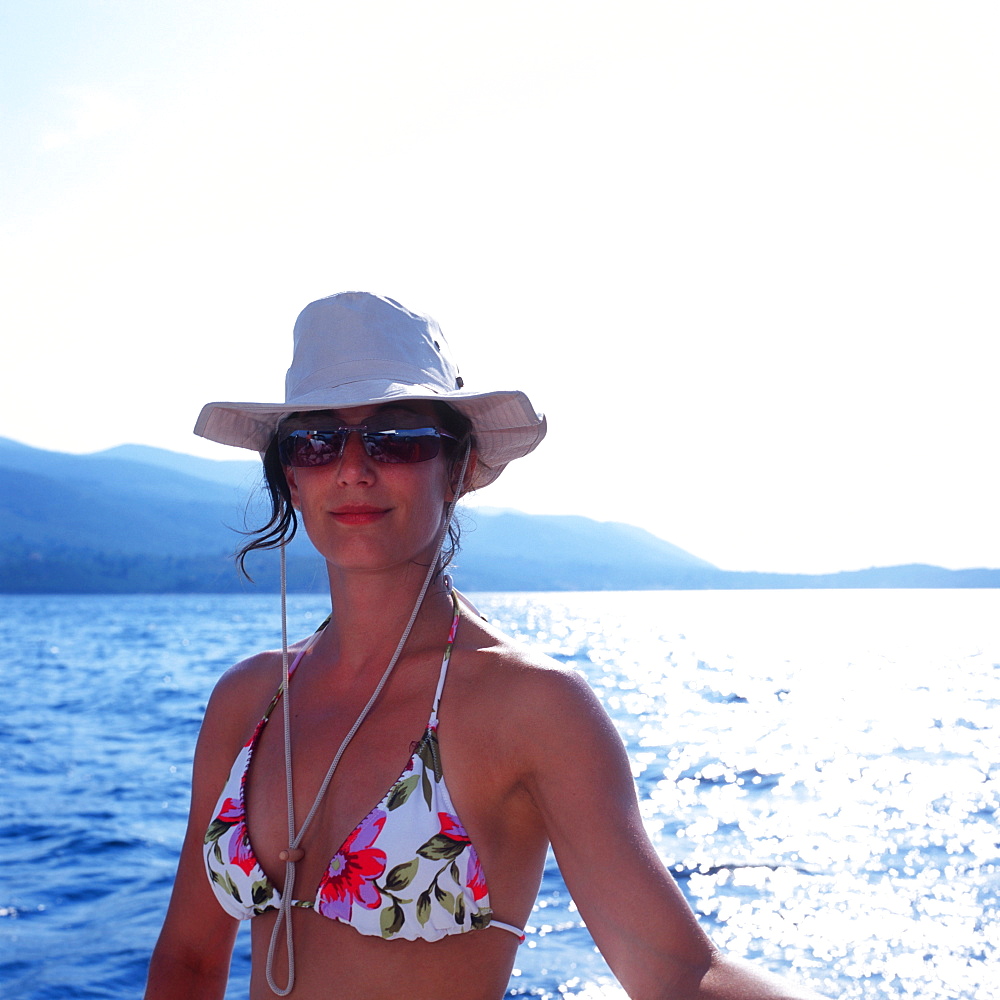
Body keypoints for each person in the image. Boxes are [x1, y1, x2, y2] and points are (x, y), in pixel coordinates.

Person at [145, 292, 827, 1000]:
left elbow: (682, 973)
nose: (352, 468)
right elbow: (189, 962)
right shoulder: (248, 701)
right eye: (316, 441)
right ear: (290, 471)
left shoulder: (528, 706)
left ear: (460, 468)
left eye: (396, 437)